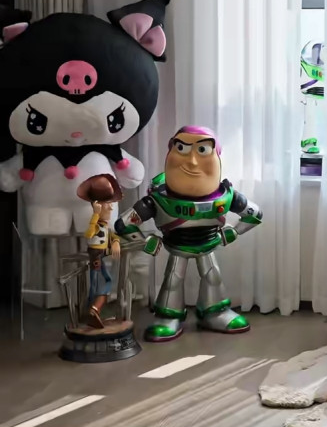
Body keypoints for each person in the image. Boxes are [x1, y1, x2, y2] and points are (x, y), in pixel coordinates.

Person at [115, 126, 262, 342]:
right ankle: (169, 316)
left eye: (202, 150)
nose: (192, 162)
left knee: (212, 276)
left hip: (208, 244)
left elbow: (254, 215)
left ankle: (214, 312)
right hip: (177, 246)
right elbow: (124, 223)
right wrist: (144, 241)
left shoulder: (227, 196)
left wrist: (233, 232)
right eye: (182, 148)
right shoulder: (157, 199)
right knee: (173, 279)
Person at [77, 174, 123, 329]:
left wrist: (115, 242)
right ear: (97, 205)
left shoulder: (104, 226)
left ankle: (93, 310)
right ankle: (92, 310)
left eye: (111, 204)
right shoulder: (95, 224)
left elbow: (112, 235)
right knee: (97, 284)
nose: (111, 208)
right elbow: (89, 234)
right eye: (107, 204)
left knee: (105, 282)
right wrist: (96, 215)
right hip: (96, 258)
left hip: (102, 258)